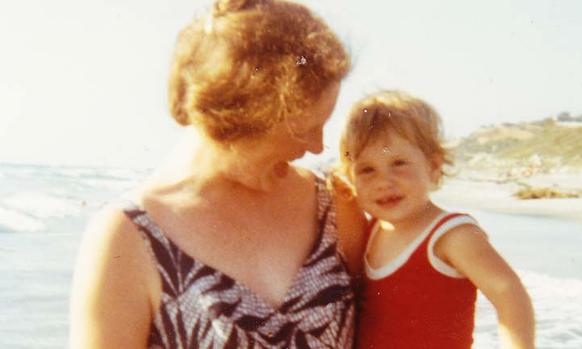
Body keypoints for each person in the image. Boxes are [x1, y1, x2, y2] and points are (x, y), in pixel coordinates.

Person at [69, 1, 367, 348]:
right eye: (303, 130)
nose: (318, 147)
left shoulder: (333, 205)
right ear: (238, 124)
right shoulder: (128, 239)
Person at [338, 91, 535, 349]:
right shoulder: (372, 230)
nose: (383, 182)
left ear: (433, 167)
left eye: (398, 163)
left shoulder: (452, 235)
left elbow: (509, 293)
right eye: (367, 170)